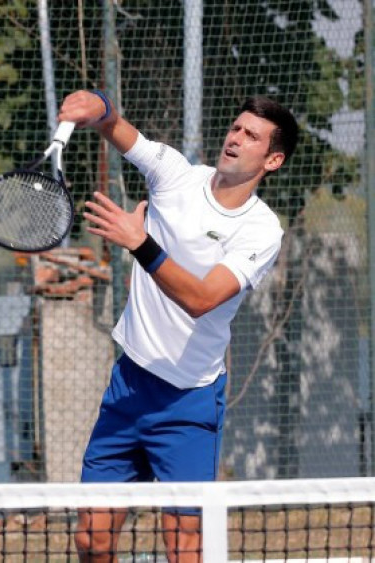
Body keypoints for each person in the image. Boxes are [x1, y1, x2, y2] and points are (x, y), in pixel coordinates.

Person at [58, 91, 299, 562]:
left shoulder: (262, 231)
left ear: (272, 160)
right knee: (91, 539)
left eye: (252, 136)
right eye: (235, 128)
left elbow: (201, 299)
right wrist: (97, 107)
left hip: (188, 402)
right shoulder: (175, 174)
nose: (236, 139)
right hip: (128, 389)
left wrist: (140, 242)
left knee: (186, 548)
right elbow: (120, 130)